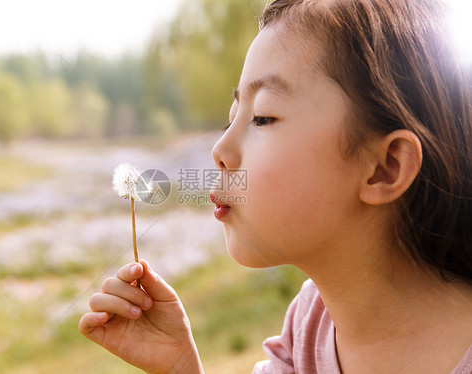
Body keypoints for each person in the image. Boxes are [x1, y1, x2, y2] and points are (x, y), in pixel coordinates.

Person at [78, 0, 472, 372]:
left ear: (384, 168)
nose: (219, 150)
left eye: (262, 117)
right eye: (231, 118)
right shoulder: (308, 328)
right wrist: (180, 366)